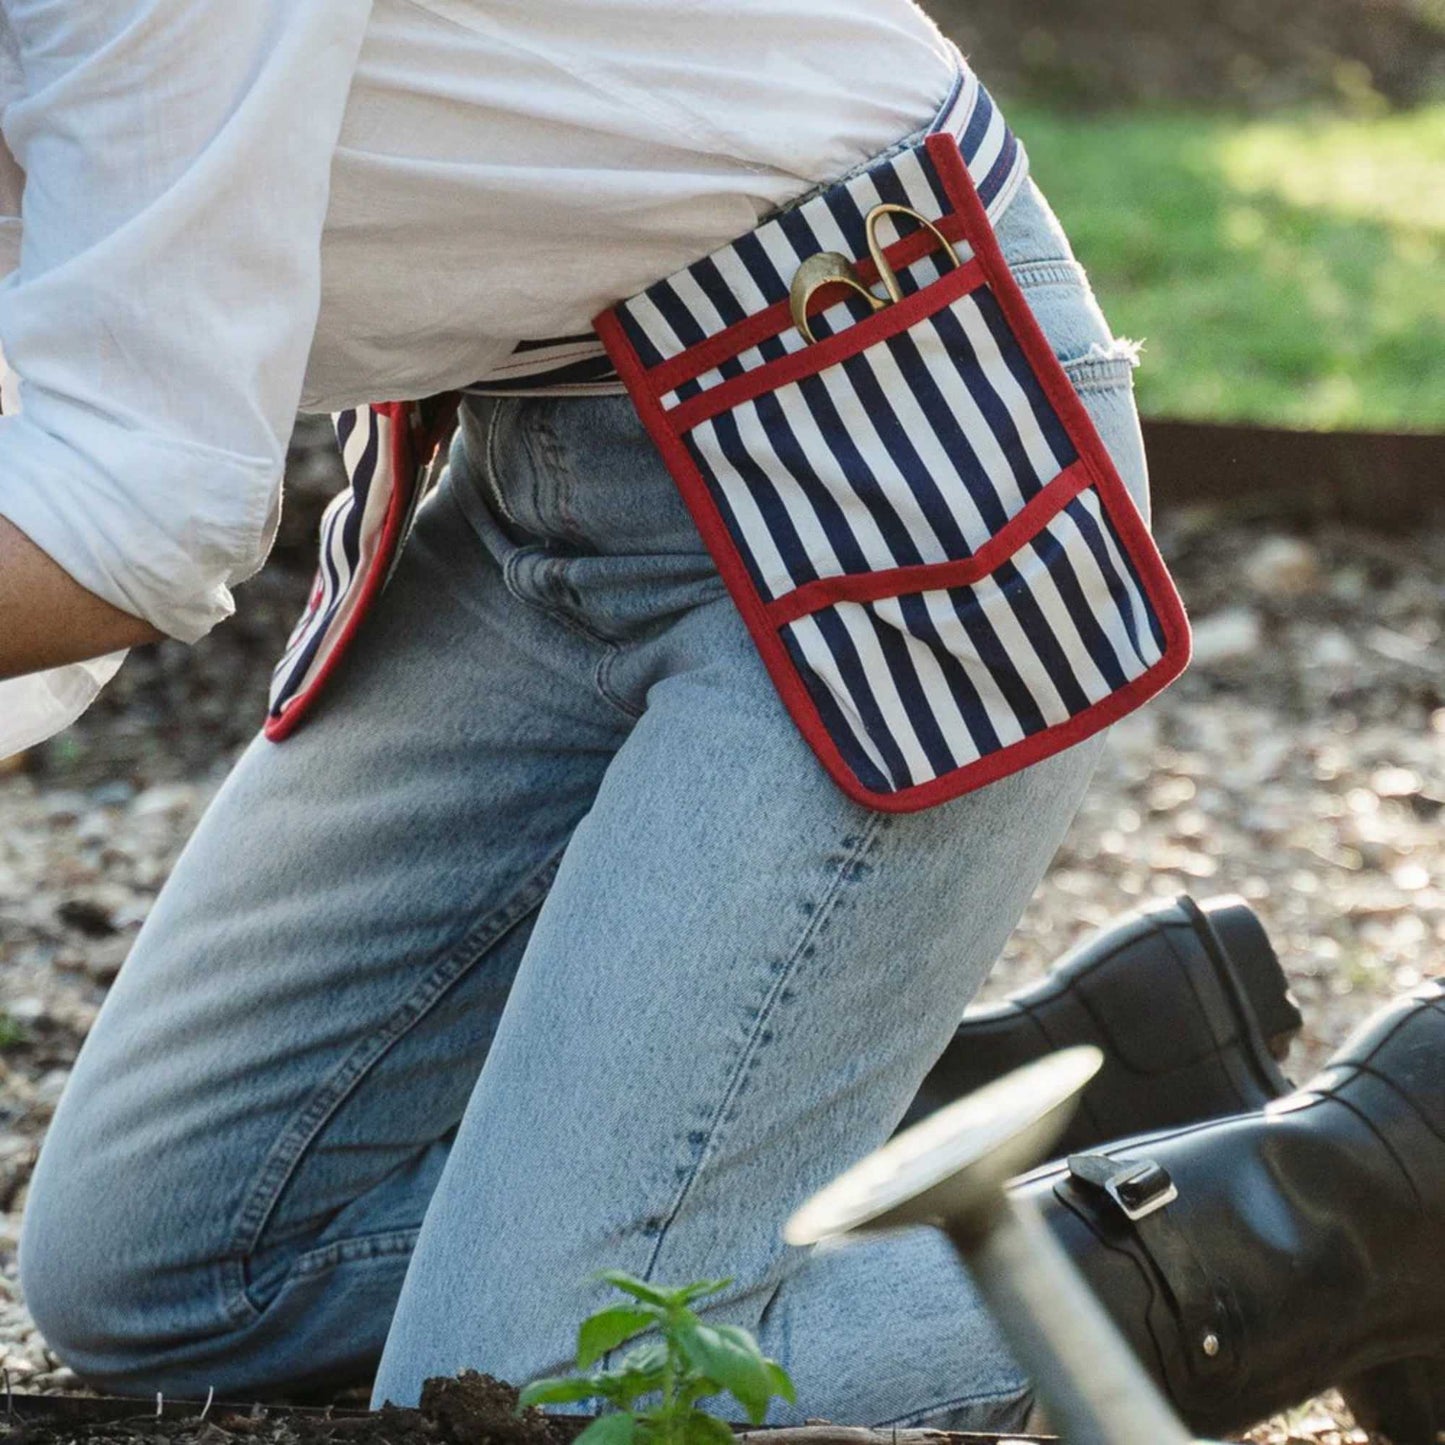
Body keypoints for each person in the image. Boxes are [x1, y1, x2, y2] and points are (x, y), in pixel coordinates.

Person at [3, 2, 1441, 1440]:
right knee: (167, 1272)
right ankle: (1067, 1086)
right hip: (525, 463)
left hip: (871, 436)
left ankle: (1368, 1195)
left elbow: (127, 501)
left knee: (547, 1385)